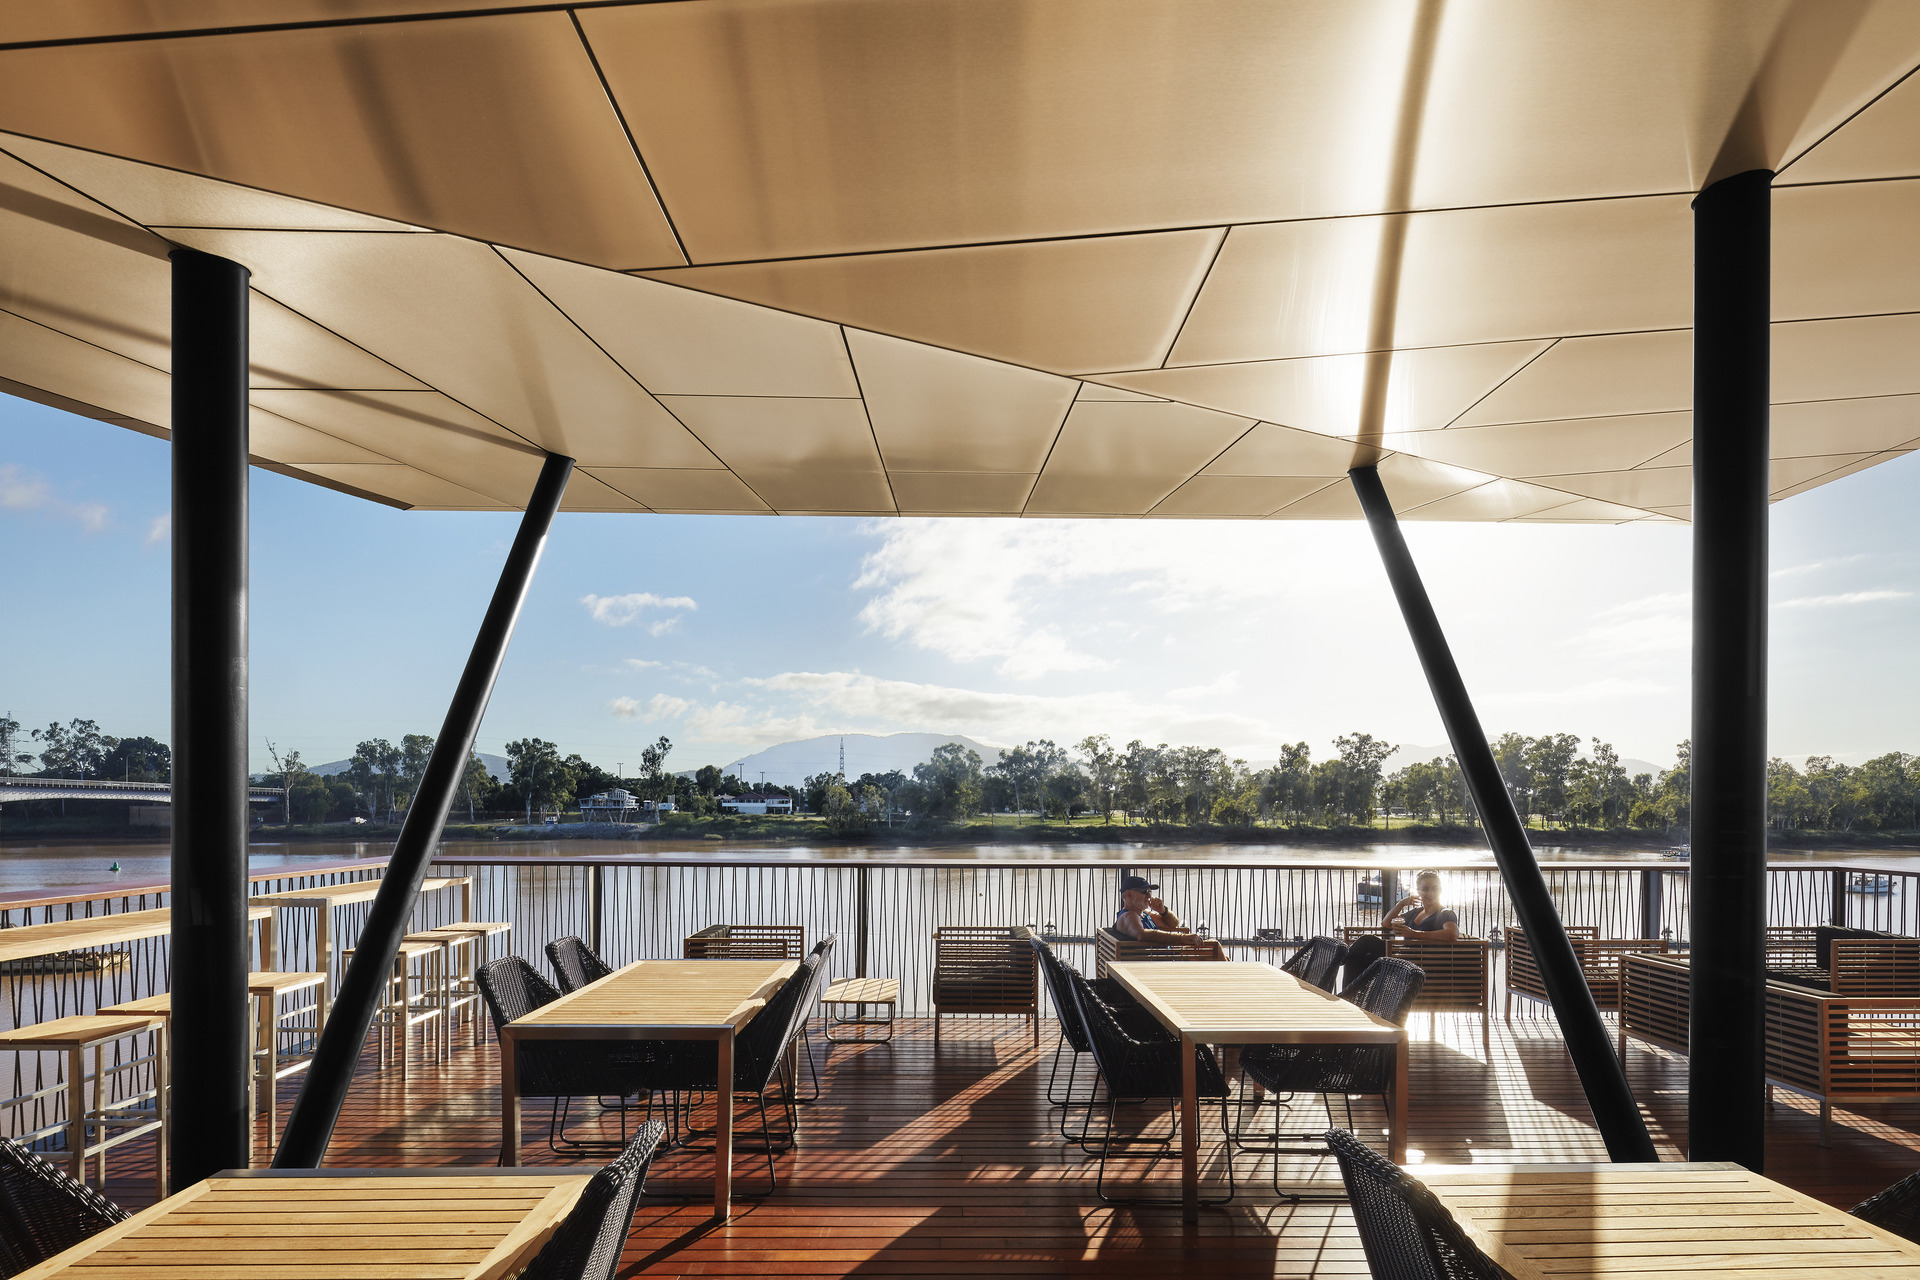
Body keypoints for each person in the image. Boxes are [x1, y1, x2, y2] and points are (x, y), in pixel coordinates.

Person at [1114, 874, 1226, 960]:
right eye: (1144, 891)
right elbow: (1142, 934)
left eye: (1149, 891)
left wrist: (1163, 911)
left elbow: (1173, 924)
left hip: (1165, 955)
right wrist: (1182, 938)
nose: (1148, 895)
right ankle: (1232, 985)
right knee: (1214, 947)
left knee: (1219, 954)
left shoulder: (1144, 914)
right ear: (1128, 894)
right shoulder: (1129, 916)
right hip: (1160, 960)